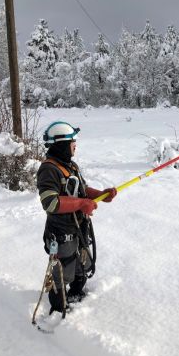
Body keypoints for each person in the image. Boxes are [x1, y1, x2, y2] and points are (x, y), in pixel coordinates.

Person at [36, 121, 117, 315]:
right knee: (62, 270)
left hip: (79, 227)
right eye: (72, 141)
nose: (75, 145)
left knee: (82, 264)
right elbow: (51, 203)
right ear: (62, 144)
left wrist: (102, 194)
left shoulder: (71, 165)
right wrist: (82, 204)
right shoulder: (49, 169)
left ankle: (77, 293)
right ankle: (58, 308)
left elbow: (82, 190)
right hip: (62, 231)